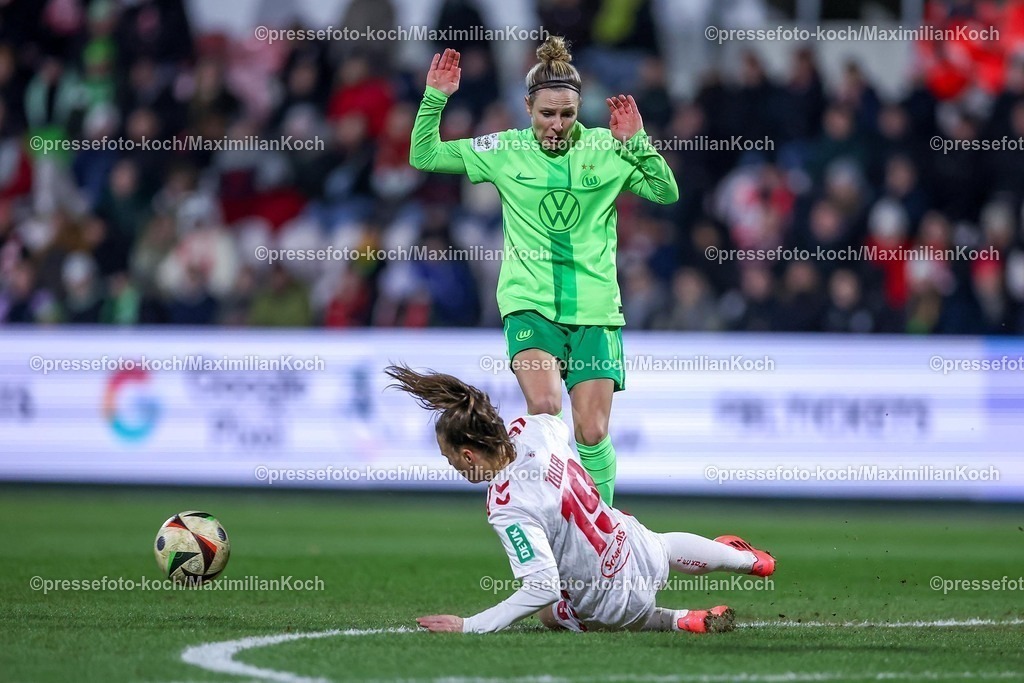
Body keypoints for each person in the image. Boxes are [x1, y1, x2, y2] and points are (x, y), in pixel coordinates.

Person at [409, 38, 680, 506]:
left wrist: (636, 142)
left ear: (580, 110)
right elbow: (424, 156)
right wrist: (436, 97)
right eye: (547, 113)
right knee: (546, 408)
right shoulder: (504, 149)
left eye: (568, 114)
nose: (557, 125)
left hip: (595, 308)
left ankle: (601, 537)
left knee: (592, 432)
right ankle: (539, 514)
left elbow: (666, 192)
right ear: (528, 106)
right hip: (528, 304)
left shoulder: (606, 146)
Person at [385, 365, 775, 634]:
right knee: (660, 542)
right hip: (634, 548)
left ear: (468, 454)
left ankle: (678, 619)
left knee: (548, 613)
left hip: (618, 606)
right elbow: (550, 414)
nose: (450, 464)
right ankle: (747, 560)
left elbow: (542, 588)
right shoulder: (533, 429)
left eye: (448, 456)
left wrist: (470, 625)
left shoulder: (505, 505)